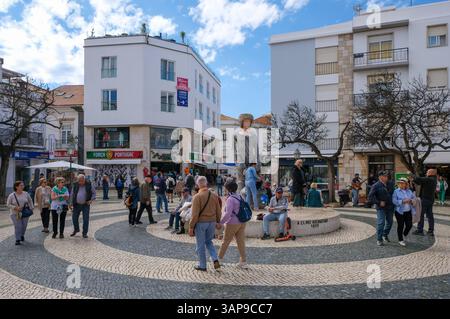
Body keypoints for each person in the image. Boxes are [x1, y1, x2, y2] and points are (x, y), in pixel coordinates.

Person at [189, 176, 222, 272]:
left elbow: (194, 215)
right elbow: (218, 210)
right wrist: (218, 221)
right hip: (211, 222)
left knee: (200, 244)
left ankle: (202, 265)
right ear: (206, 183)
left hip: (201, 223)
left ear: (197, 185)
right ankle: (215, 258)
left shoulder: (197, 197)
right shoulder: (214, 195)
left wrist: (191, 227)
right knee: (209, 242)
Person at [217, 179, 248, 269]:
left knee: (225, 241)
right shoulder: (240, 196)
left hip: (232, 223)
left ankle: (218, 260)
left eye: (225, 188)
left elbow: (228, 214)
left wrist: (221, 222)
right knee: (240, 242)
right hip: (242, 222)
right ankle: (243, 261)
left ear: (228, 189)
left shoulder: (230, 199)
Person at [368, 171, 394, 246]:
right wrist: (378, 202)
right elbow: (370, 197)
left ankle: (385, 234)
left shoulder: (391, 183)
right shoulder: (375, 186)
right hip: (381, 207)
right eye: (385, 176)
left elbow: (394, 193)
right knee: (381, 223)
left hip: (390, 206)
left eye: (387, 176)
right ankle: (379, 239)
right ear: (380, 177)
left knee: (390, 222)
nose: (386, 177)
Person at [411, 169, 438, 236]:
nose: (426, 172)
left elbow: (418, 179)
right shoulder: (433, 180)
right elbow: (419, 181)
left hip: (425, 200)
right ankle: (430, 231)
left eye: (427, 172)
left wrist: (411, 175)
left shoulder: (429, 179)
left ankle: (420, 230)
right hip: (430, 200)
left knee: (421, 215)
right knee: (430, 215)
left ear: (431, 173)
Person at [7, 181, 34, 245]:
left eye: (23, 185)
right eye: (21, 185)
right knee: (18, 226)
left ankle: (22, 235)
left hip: (25, 212)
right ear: (16, 187)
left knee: (24, 225)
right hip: (15, 213)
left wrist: (31, 208)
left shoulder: (26, 194)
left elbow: (30, 201)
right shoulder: (12, 195)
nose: (22, 186)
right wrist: (15, 207)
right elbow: (8, 204)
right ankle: (17, 239)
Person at [70, 175, 96, 239]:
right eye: (79, 181)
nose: (80, 182)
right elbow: (72, 194)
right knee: (74, 218)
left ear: (84, 180)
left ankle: (84, 233)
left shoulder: (89, 184)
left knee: (85, 219)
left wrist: (91, 200)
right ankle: (76, 229)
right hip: (76, 204)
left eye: (82, 181)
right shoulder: (75, 184)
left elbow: (94, 193)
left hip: (85, 204)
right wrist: (70, 203)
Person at [392, 178, 416, 247]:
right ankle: (400, 240)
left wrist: (411, 200)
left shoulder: (409, 191)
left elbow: (414, 199)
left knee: (409, 225)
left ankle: (404, 234)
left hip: (408, 211)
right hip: (399, 212)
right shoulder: (396, 191)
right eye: (400, 183)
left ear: (406, 184)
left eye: (403, 183)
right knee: (401, 225)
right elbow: (394, 201)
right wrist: (402, 201)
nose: (401, 184)